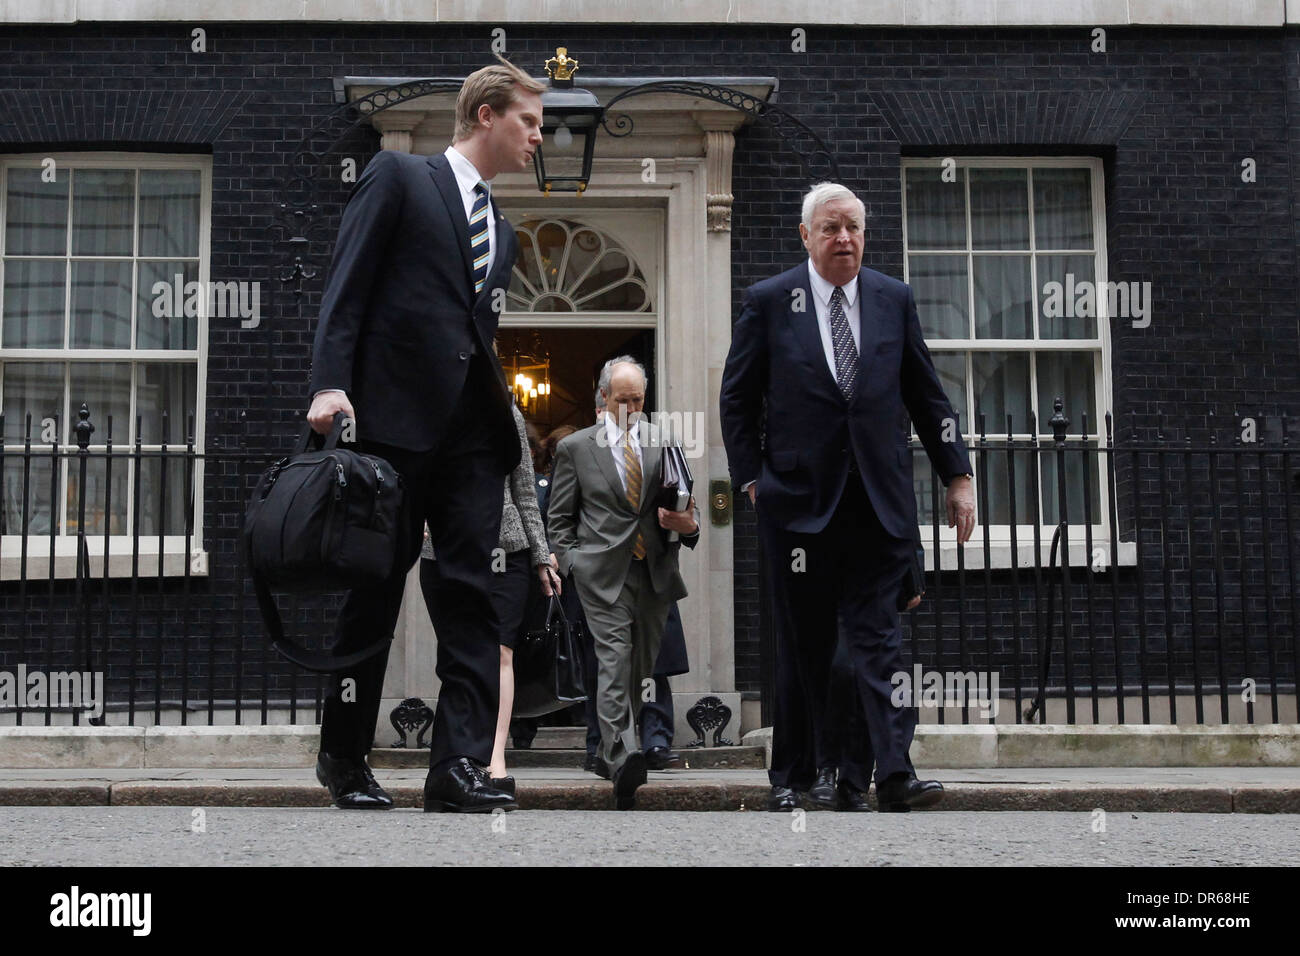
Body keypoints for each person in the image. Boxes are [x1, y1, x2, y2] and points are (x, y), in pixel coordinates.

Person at [305, 56, 546, 813]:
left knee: (473, 596)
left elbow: (476, 335)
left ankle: (458, 768)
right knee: (374, 594)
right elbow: (348, 285)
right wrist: (328, 384)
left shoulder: (503, 235)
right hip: (393, 428)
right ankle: (344, 756)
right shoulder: (401, 178)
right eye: (529, 121)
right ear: (486, 115)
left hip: (471, 440)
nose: (539, 136)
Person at [719, 182, 976, 813]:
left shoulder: (893, 299)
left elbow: (927, 396)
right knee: (804, 646)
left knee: (878, 641)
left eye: (854, 228)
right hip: (799, 506)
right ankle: (795, 778)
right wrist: (753, 480)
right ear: (805, 235)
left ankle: (892, 773)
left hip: (876, 504)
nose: (845, 239)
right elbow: (737, 399)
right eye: (831, 228)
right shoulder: (771, 301)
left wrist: (958, 475)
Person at [547, 357, 701, 809]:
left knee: (642, 664)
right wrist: (574, 562)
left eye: (638, 400)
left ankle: (615, 746)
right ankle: (621, 753)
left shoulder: (663, 442)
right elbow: (559, 518)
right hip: (602, 574)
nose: (631, 409)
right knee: (613, 658)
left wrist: (686, 525)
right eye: (622, 400)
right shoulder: (577, 447)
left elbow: (687, 509)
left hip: (653, 571)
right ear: (603, 398)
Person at [418, 400, 557, 799]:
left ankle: (493, 759)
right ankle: (454, 763)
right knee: (459, 654)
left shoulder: (505, 413)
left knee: (500, 653)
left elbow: (525, 491)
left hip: (507, 550)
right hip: (444, 549)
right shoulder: (428, 408)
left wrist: (539, 554)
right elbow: (413, 476)